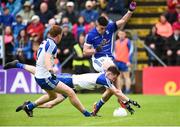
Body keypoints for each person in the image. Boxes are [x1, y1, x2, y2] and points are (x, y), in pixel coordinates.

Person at [5, 25, 92, 117]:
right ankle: (87, 114)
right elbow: (47, 58)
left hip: (39, 76)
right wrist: (51, 70)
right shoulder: (52, 44)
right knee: (70, 92)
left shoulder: (45, 41)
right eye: (61, 35)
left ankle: (29, 106)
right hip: (45, 78)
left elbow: (42, 58)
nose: (61, 37)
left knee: (53, 96)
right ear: (58, 35)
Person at [4, 60, 141, 115]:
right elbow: (116, 91)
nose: (114, 80)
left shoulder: (104, 78)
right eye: (114, 77)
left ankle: (29, 106)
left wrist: (127, 101)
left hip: (72, 86)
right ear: (110, 74)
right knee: (42, 74)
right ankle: (19, 65)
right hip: (69, 80)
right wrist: (129, 101)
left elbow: (113, 92)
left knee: (52, 103)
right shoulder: (103, 78)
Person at [83, 1, 136, 115]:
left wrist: (130, 11)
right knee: (113, 72)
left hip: (109, 59)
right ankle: (122, 98)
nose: (103, 30)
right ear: (96, 25)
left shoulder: (110, 27)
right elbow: (85, 52)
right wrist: (95, 50)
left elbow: (123, 21)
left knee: (110, 88)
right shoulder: (91, 35)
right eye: (101, 28)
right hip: (98, 60)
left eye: (104, 28)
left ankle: (97, 106)